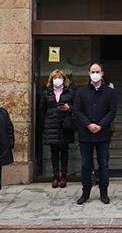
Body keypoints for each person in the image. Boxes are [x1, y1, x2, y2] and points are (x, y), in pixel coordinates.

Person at [72, 62, 116, 205]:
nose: (95, 74)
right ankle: (86, 193)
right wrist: (89, 124)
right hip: (86, 134)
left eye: (98, 71)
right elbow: (77, 110)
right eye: (93, 71)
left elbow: (112, 111)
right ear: (89, 73)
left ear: (102, 73)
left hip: (102, 134)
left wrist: (101, 125)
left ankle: (104, 192)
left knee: (103, 164)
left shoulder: (109, 92)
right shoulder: (82, 91)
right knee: (86, 165)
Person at [39, 70, 75, 188]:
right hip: (52, 124)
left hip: (65, 124)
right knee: (54, 150)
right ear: (51, 79)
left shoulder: (69, 92)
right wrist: (47, 121)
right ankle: (55, 174)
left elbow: (76, 107)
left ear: (64, 79)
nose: (57, 79)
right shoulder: (46, 93)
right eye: (55, 77)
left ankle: (64, 174)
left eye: (59, 77)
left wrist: (69, 108)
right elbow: (42, 110)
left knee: (64, 150)